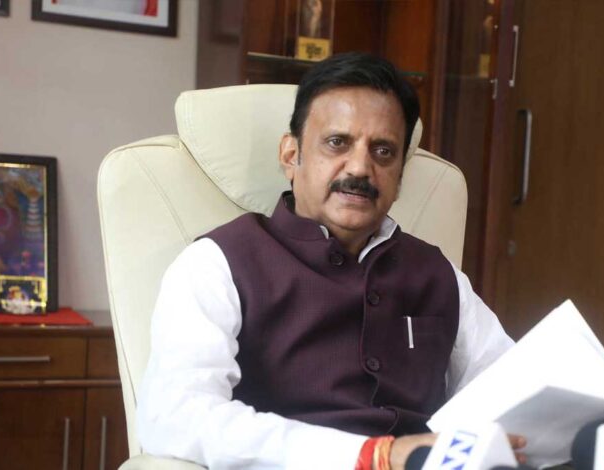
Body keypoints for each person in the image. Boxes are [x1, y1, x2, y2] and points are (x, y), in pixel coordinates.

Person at [137, 52, 523, 469]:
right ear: (291, 155)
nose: (360, 167)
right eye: (337, 143)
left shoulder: (438, 274)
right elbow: (174, 416)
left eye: (383, 151)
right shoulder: (217, 264)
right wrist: (372, 456)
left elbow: (512, 390)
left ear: (400, 176)